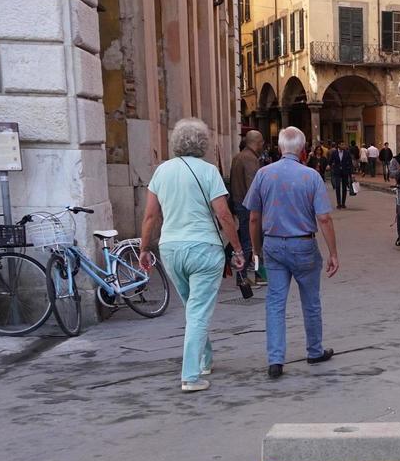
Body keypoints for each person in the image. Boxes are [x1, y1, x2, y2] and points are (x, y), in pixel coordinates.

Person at [139, 117, 244, 393]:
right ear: (203, 144)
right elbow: (223, 214)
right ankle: (191, 376)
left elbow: (151, 215)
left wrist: (143, 248)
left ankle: (205, 359)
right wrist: (238, 248)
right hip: (204, 249)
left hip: (172, 249)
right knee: (198, 311)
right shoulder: (209, 171)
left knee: (193, 308)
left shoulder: (161, 172)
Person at [246, 126, 340, 379]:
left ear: (279, 147)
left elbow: (254, 217)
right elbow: (324, 218)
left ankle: (276, 360)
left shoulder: (263, 174)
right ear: (303, 149)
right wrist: (333, 253)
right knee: (311, 300)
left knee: (275, 303)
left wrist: (256, 249)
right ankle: (314, 350)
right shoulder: (311, 176)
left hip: (274, 244)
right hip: (303, 245)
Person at [228, 130, 264, 281]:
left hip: (239, 203)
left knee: (247, 240)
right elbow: (252, 186)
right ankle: (246, 277)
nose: (263, 145)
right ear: (256, 143)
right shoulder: (250, 159)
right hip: (248, 207)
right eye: (262, 142)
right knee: (252, 242)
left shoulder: (238, 157)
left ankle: (256, 275)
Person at [328, 141, 354, 209]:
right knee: (337, 186)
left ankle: (343, 203)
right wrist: (329, 165)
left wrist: (352, 173)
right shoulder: (334, 153)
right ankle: (338, 203)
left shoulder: (347, 153)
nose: (344, 146)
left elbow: (350, 163)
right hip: (337, 172)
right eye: (342, 144)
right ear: (338, 145)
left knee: (344, 188)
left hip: (345, 172)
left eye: (344, 144)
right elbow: (330, 161)